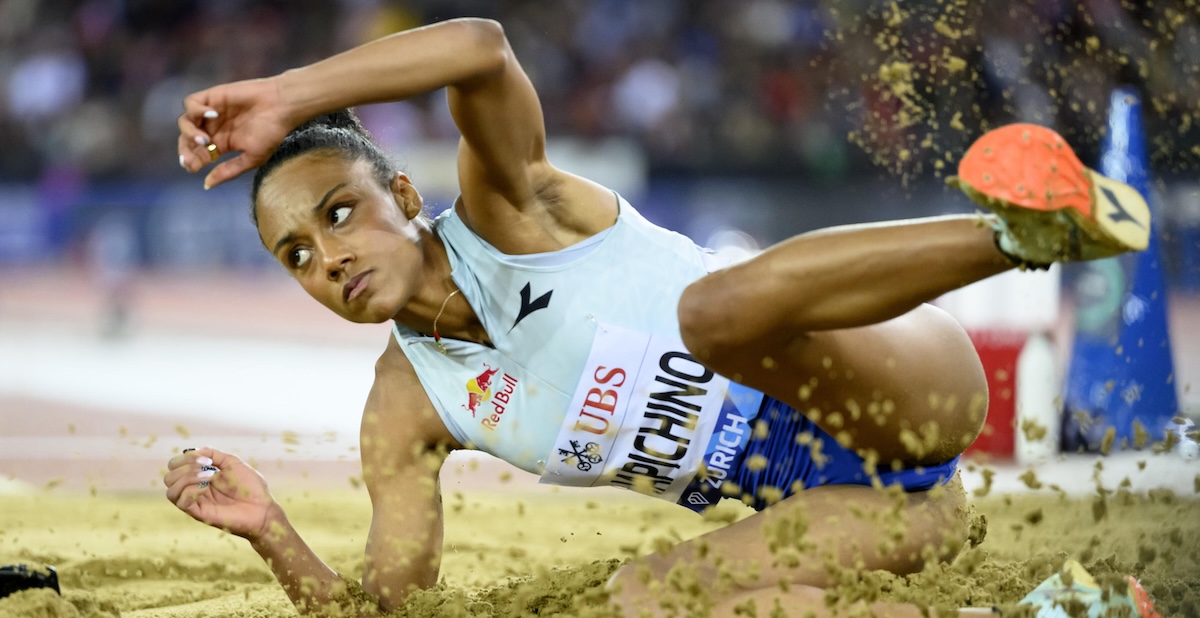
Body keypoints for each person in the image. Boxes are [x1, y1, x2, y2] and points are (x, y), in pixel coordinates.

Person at [162, 17, 1150, 618]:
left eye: (340, 214)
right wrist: (271, 532)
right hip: (862, 509)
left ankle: (1021, 235)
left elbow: (479, 50)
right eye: (295, 254)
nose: (327, 256)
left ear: (407, 198)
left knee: (714, 313)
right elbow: (390, 606)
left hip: (897, 388)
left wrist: (288, 93)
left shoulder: (514, 207)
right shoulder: (406, 409)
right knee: (645, 602)